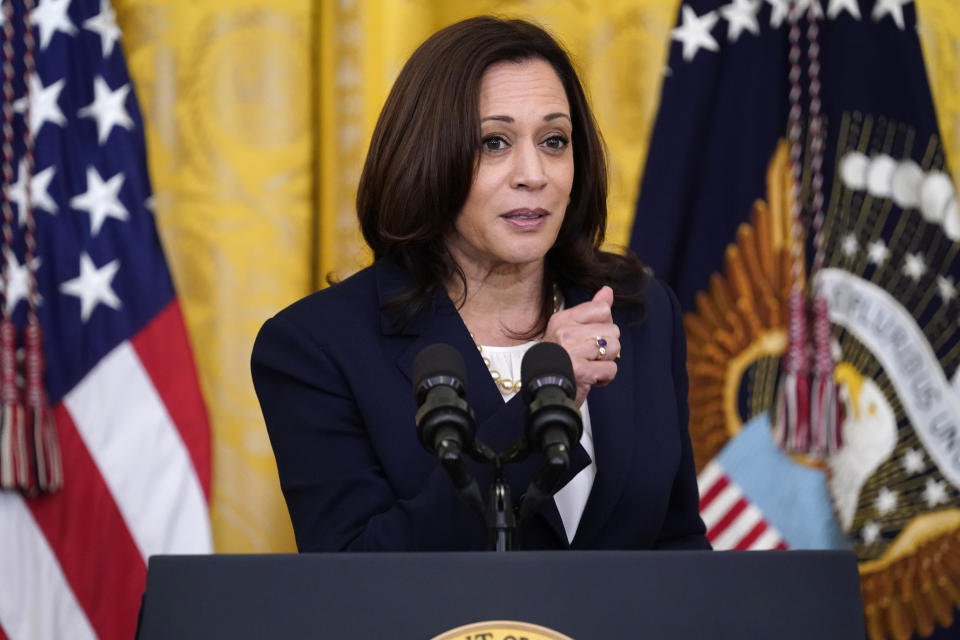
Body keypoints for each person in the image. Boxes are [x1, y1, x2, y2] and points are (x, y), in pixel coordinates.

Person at [251, 16, 709, 552]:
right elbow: (354, 578)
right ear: (427, 158)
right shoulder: (314, 347)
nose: (533, 173)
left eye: (555, 140)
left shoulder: (637, 311)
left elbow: (678, 545)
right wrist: (545, 402)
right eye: (494, 142)